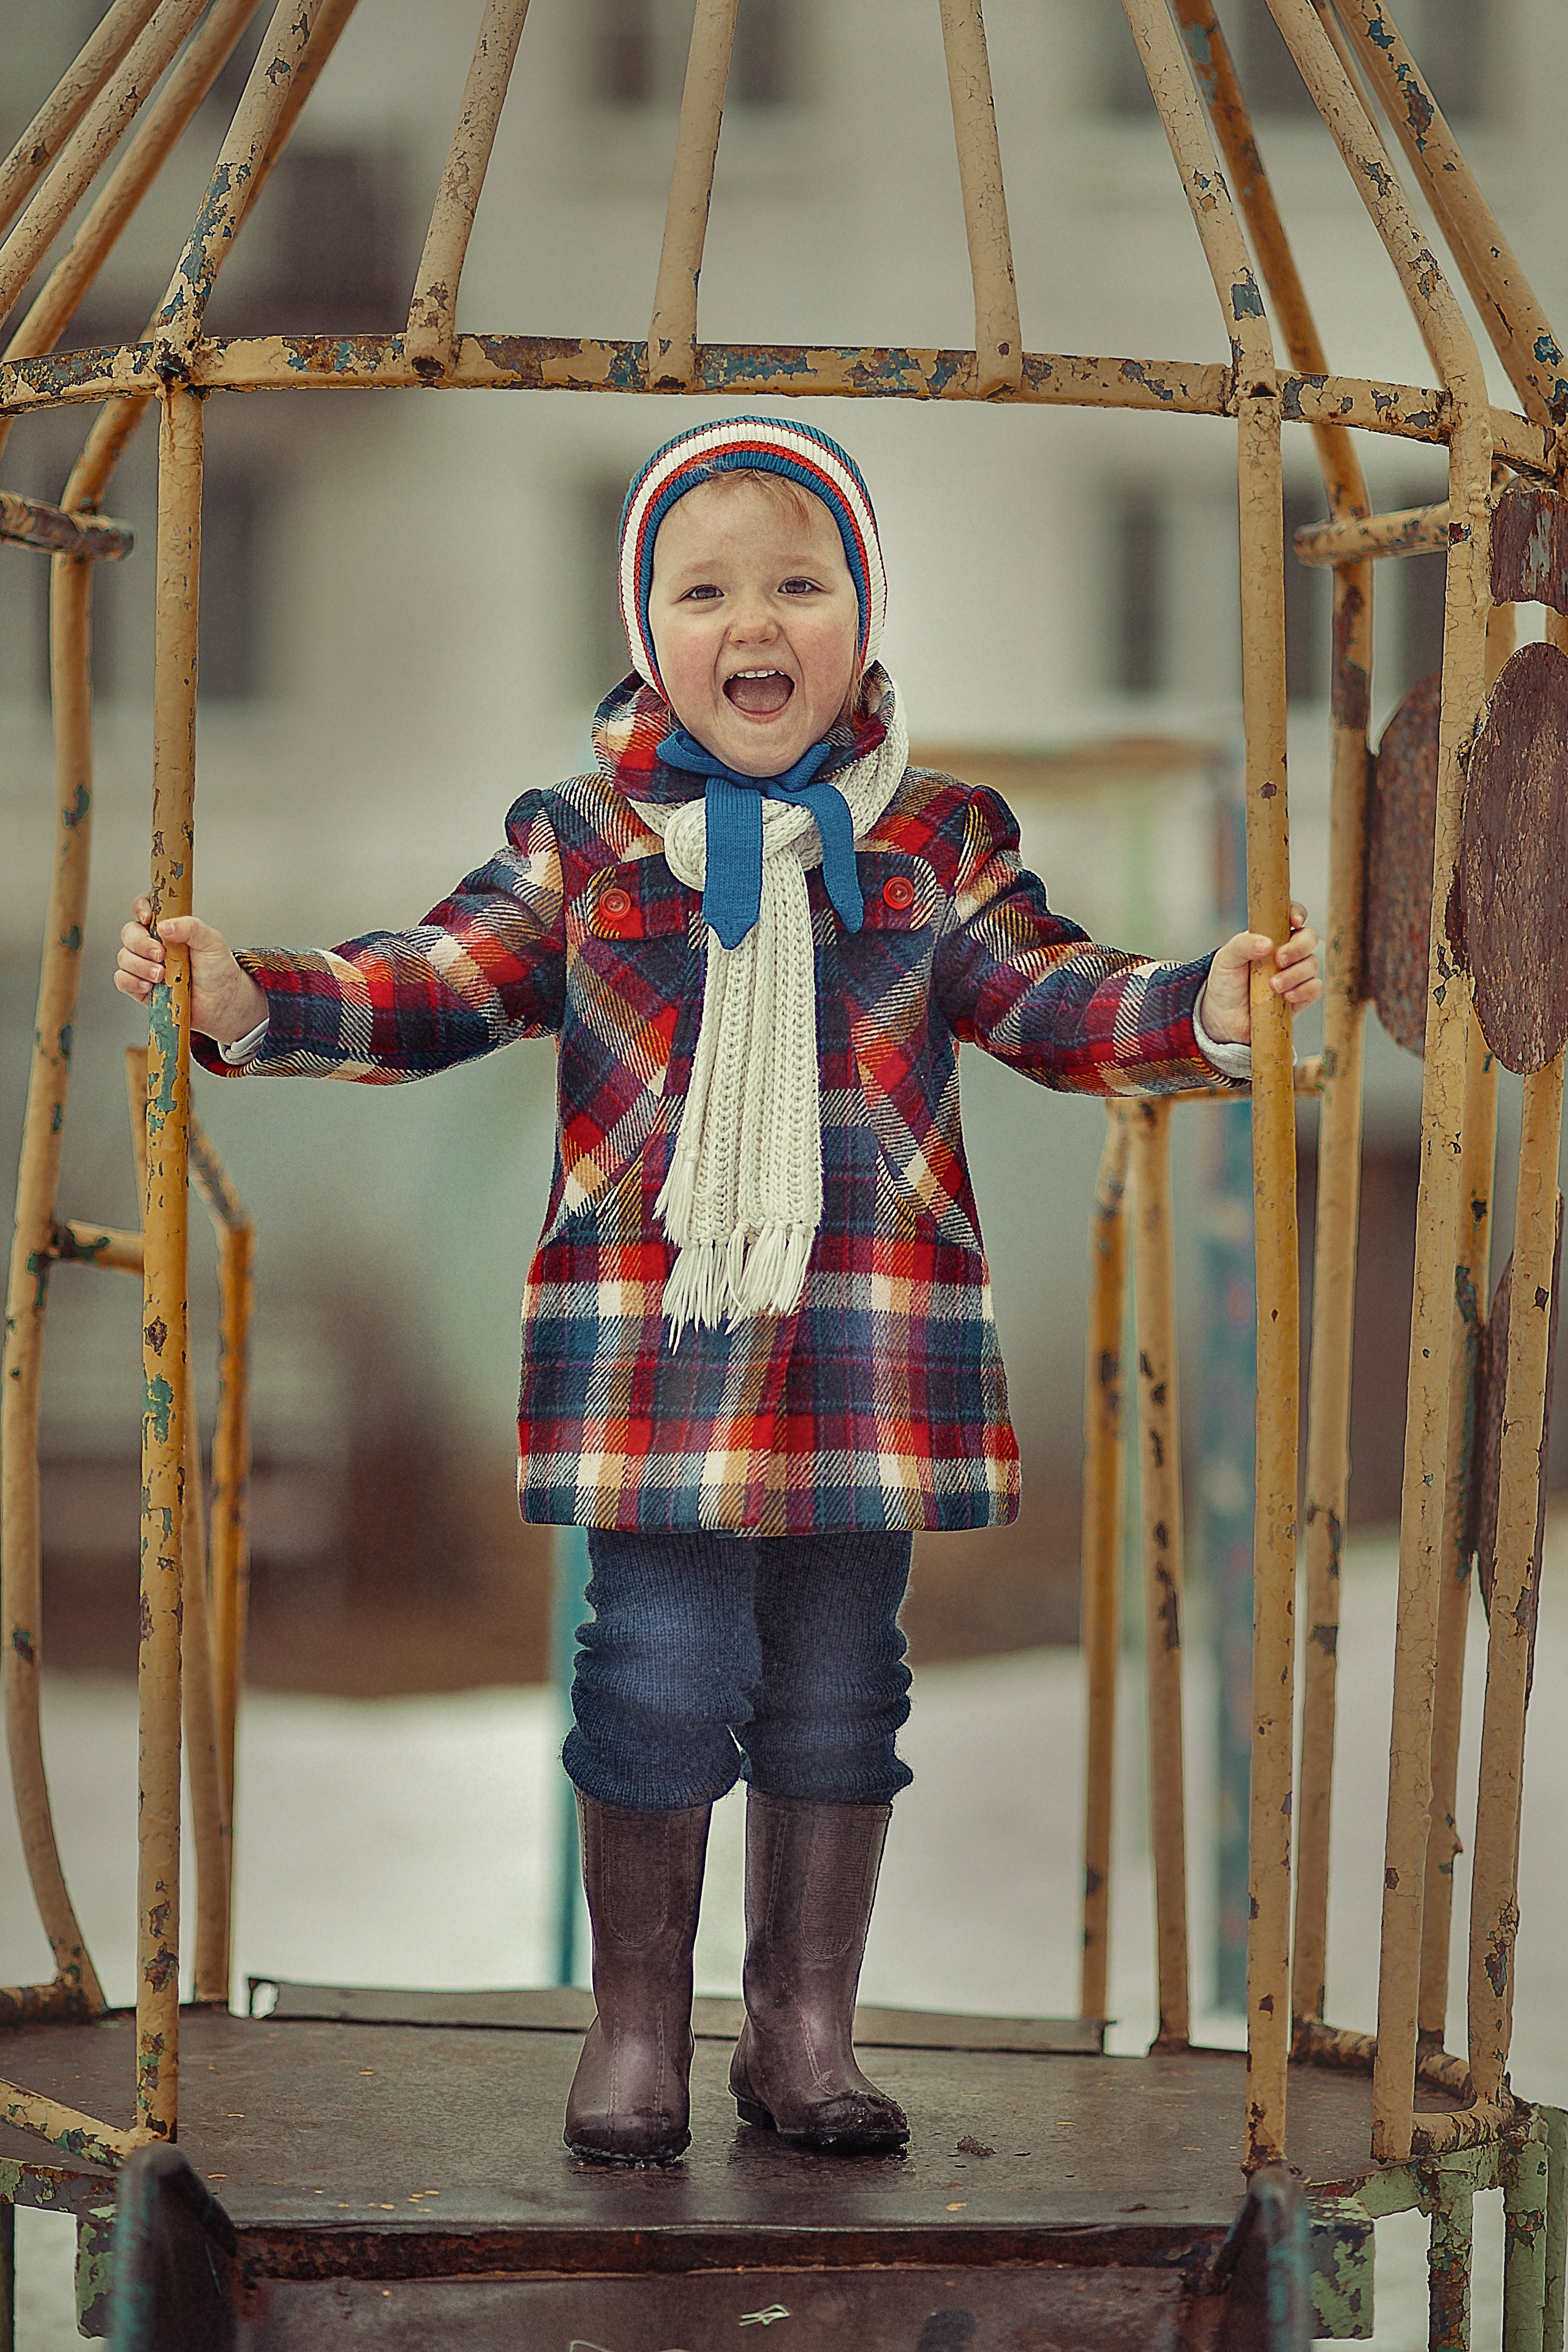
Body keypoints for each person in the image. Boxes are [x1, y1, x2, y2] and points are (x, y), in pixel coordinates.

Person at [116, 416, 1321, 2169]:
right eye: (706, 590)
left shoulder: (933, 839)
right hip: (658, 1358)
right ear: (650, 629)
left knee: (844, 1690)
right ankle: (636, 2031)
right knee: (656, 1673)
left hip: (861, 1349)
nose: (755, 623)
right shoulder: (587, 844)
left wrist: (1201, 1003)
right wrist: (252, 997)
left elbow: (1047, 998)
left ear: (861, 613)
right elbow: (435, 982)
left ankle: (803, 2031)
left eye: (798, 584)